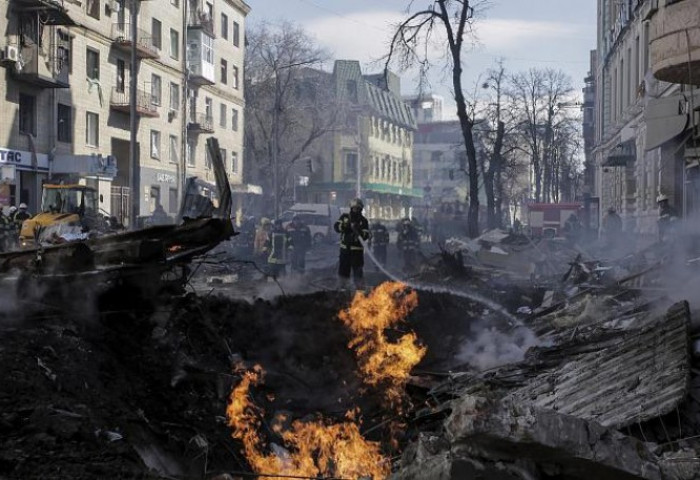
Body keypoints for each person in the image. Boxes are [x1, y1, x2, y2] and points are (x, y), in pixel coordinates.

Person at [333, 198, 370, 289]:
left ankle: (359, 290)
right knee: (343, 270)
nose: (356, 210)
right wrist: (345, 225)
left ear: (361, 209)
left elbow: (365, 235)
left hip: (357, 252)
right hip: (345, 250)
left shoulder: (363, 221)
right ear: (351, 208)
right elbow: (336, 227)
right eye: (354, 208)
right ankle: (342, 288)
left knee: (358, 271)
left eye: (358, 209)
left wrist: (359, 230)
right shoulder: (345, 217)